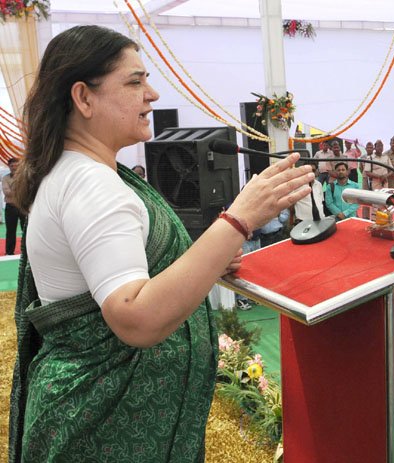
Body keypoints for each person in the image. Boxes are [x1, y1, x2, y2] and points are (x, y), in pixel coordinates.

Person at [8, 25, 314, 462]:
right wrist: (240, 218)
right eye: (134, 81)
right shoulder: (91, 184)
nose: (151, 94)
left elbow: (121, 276)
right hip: (102, 432)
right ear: (84, 97)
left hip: (98, 421)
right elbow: (135, 317)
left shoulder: (80, 172)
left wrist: (198, 263)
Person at [3, 157, 22, 255]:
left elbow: (27, 190)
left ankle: (27, 251)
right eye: (12, 166)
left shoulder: (24, 177)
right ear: (9, 167)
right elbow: (7, 192)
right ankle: (9, 252)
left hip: (23, 207)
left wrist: (15, 191)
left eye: (16, 165)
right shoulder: (5, 178)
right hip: (10, 207)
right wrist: (20, 191)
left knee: (27, 230)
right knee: (10, 231)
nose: (14, 168)